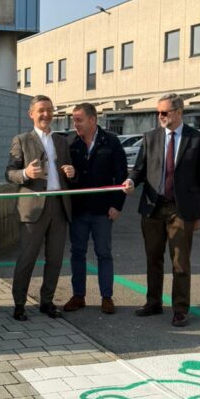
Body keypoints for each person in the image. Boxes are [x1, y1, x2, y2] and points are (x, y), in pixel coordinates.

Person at [122, 92, 200, 327]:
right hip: (153, 208)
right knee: (153, 258)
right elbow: (139, 169)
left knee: (180, 262)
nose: (159, 116)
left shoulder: (197, 139)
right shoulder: (151, 137)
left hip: (181, 210)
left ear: (178, 112)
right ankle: (153, 302)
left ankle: (180, 309)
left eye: (164, 112)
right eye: (157, 112)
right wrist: (130, 181)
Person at [6, 95, 76, 321]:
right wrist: (26, 173)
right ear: (31, 114)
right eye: (41, 110)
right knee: (27, 258)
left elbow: (69, 173)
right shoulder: (21, 140)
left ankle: (47, 302)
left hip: (59, 205)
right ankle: (19, 304)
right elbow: (10, 173)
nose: (46, 114)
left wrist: (71, 173)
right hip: (33, 207)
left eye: (49, 110)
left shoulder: (61, 141)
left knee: (55, 259)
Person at [64, 103, 128, 315]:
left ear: (92, 119)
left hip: (103, 210)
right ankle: (78, 296)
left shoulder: (111, 141)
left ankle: (106, 297)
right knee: (77, 253)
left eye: (79, 120)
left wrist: (117, 205)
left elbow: (121, 175)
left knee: (103, 253)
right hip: (79, 209)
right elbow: (65, 176)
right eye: (74, 120)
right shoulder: (71, 142)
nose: (75, 124)